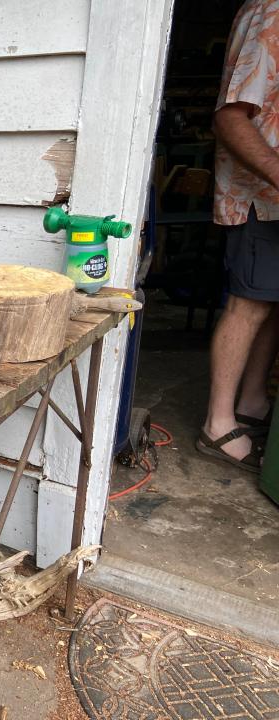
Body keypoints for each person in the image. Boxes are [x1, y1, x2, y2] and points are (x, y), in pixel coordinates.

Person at [199, 0, 279, 471]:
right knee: (247, 305)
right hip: (260, 195)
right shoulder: (272, 11)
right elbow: (231, 116)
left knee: (271, 304)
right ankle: (217, 423)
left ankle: (250, 403)